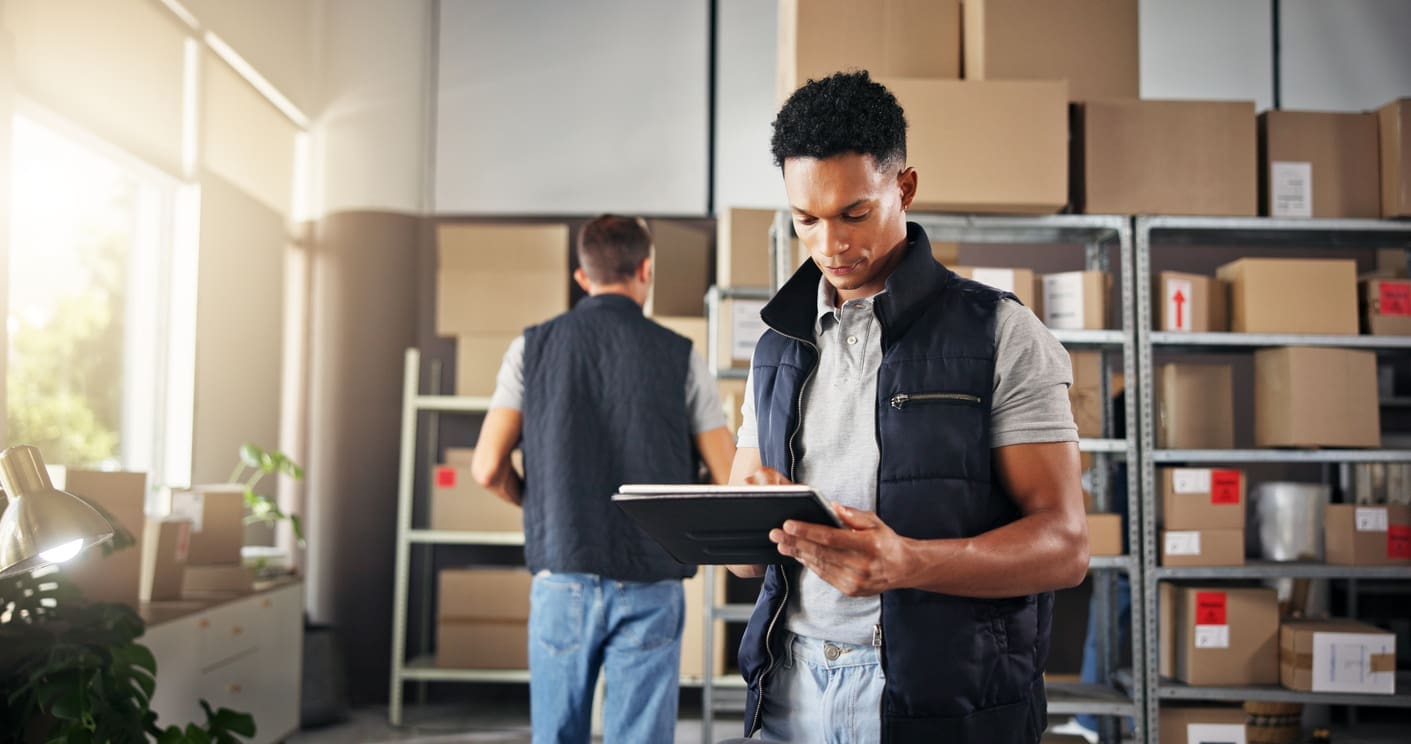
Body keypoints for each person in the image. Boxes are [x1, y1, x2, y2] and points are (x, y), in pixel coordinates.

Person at [727, 71, 1089, 743]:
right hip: (788, 688)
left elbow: (1064, 547)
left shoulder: (1000, 333)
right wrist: (743, 518)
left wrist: (909, 563)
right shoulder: (775, 347)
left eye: (853, 213)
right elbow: (747, 565)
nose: (830, 245)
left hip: (941, 694)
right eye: (806, 220)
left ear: (905, 188)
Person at [471, 214, 736, 744]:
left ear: (582, 276)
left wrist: (536, 504)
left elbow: (485, 469)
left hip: (562, 571)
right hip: (651, 578)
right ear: (646, 269)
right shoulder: (680, 356)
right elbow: (729, 476)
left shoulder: (532, 349)